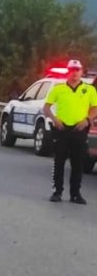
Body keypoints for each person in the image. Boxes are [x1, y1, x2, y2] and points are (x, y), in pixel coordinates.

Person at [42, 59, 97, 204]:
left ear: (81, 71)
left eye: (77, 70)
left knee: (78, 163)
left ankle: (75, 193)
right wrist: (55, 119)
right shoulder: (59, 88)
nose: (74, 73)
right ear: (68, 71)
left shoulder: (89, 90)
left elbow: (94, 108)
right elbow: (46, 107)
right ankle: (57, 191)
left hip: (79, 129)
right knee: (59, 161)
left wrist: (87, 119)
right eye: (72, 70)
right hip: (62, 129)